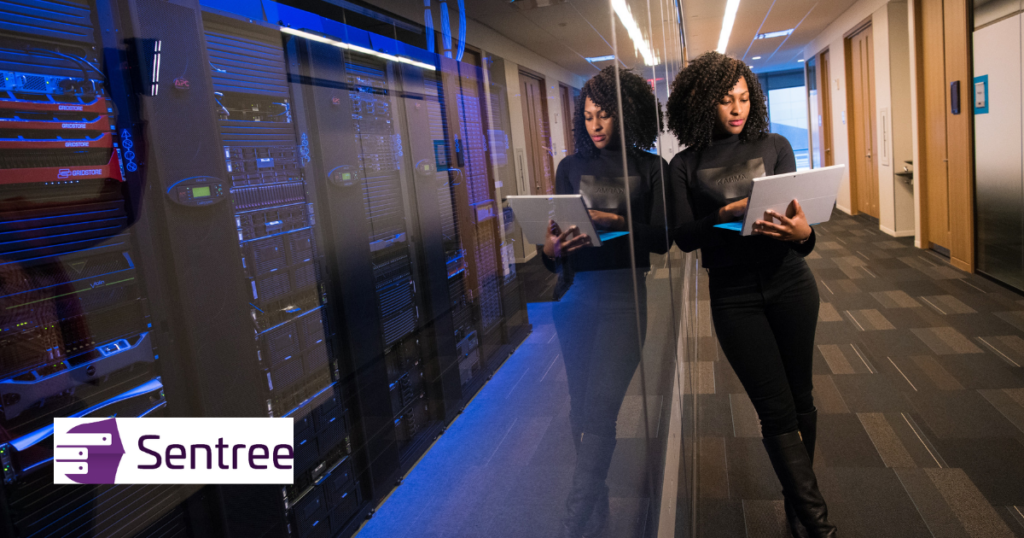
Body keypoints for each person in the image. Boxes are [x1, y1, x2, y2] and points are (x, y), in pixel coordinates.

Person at [666, 51, 837, 538]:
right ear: (704, 102)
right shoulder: (685, 164)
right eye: (726, 100)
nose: (737, 109)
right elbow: (684, 237)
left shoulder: (776, 145)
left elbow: (801, 238)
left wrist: (804, 232)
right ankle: (819, 524)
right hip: (734, 296)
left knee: (801, 396)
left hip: (790, 283)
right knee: (774, 408)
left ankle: (798, 505)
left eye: (744, 98)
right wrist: (724, 214)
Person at [539, 65, 668, 538]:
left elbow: (663, 239)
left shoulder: (650, 167)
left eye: (605, 115)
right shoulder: (569, 167)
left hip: (624, 298)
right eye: (589, 116)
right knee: (580, 407)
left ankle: (573, 518)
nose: (595, 125)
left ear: (626, 114)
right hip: (576, 295)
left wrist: (615, 221)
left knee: (601, 408)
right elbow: (553, 250)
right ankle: (594, 498)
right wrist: (551, 249)